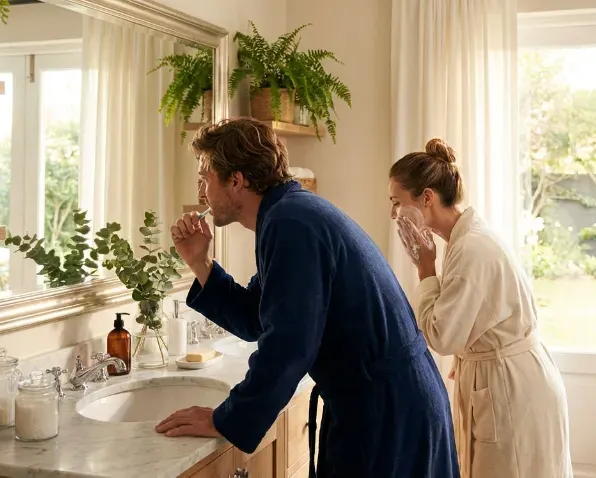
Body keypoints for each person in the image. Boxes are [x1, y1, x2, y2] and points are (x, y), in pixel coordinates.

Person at [155, 118, 460, 478]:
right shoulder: (288, 214)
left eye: (205, 178)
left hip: (387, 414)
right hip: (386, 405)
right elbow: (257, 317)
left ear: (236, 180)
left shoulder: (291, 223)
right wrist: (200, 262)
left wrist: (227, 420)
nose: (202, 193)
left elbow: (288, 346)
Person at [390, 138, 573, 478]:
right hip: (509, 379)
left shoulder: (471, 247)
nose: (395, 214)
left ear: (426, 198)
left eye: (397, 202)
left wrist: (425, 268)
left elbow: (442, 336)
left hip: (513, 391)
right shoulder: (465, 240)